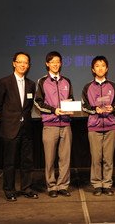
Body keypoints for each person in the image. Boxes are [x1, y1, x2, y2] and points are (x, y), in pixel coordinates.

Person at [0, 51, 38, 201]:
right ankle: (9, 190)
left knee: (27, 161)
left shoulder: (31, 84)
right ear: (14, 63)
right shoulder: (4, 82)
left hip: (26, 128)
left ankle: (27, 188)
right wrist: (8, 119)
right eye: (20, 62)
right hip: (10, 128)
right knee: (10, 162)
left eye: (26, 62)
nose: (23, 65)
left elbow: (29, 106)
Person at [34, 51, 74, 198]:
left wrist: (71, 110)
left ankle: (63, 185)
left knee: (65, 158)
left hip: (66, 125)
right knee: (49, 158)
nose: (55, 64)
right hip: (50, 125)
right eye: (52, 62)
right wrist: (54, 110)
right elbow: (38, 103)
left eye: (58, 61)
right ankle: (51, 186)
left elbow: (70, 99)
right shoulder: (42, 81)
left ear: (61, 63)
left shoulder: (66, 81)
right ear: (47, 64)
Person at [81, 56, 115, 196]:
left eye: (103, 65)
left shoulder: (113, 86)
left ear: (107, 68)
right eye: (97, 65)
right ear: (93, 69)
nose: (100, 68)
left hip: (110, 126)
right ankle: (97, 184)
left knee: (108, 158)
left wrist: (113, 109)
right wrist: (94, 110)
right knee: (96, 158)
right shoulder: (87, 87)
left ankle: (107, 184)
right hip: (94, 126)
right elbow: (84, 106)